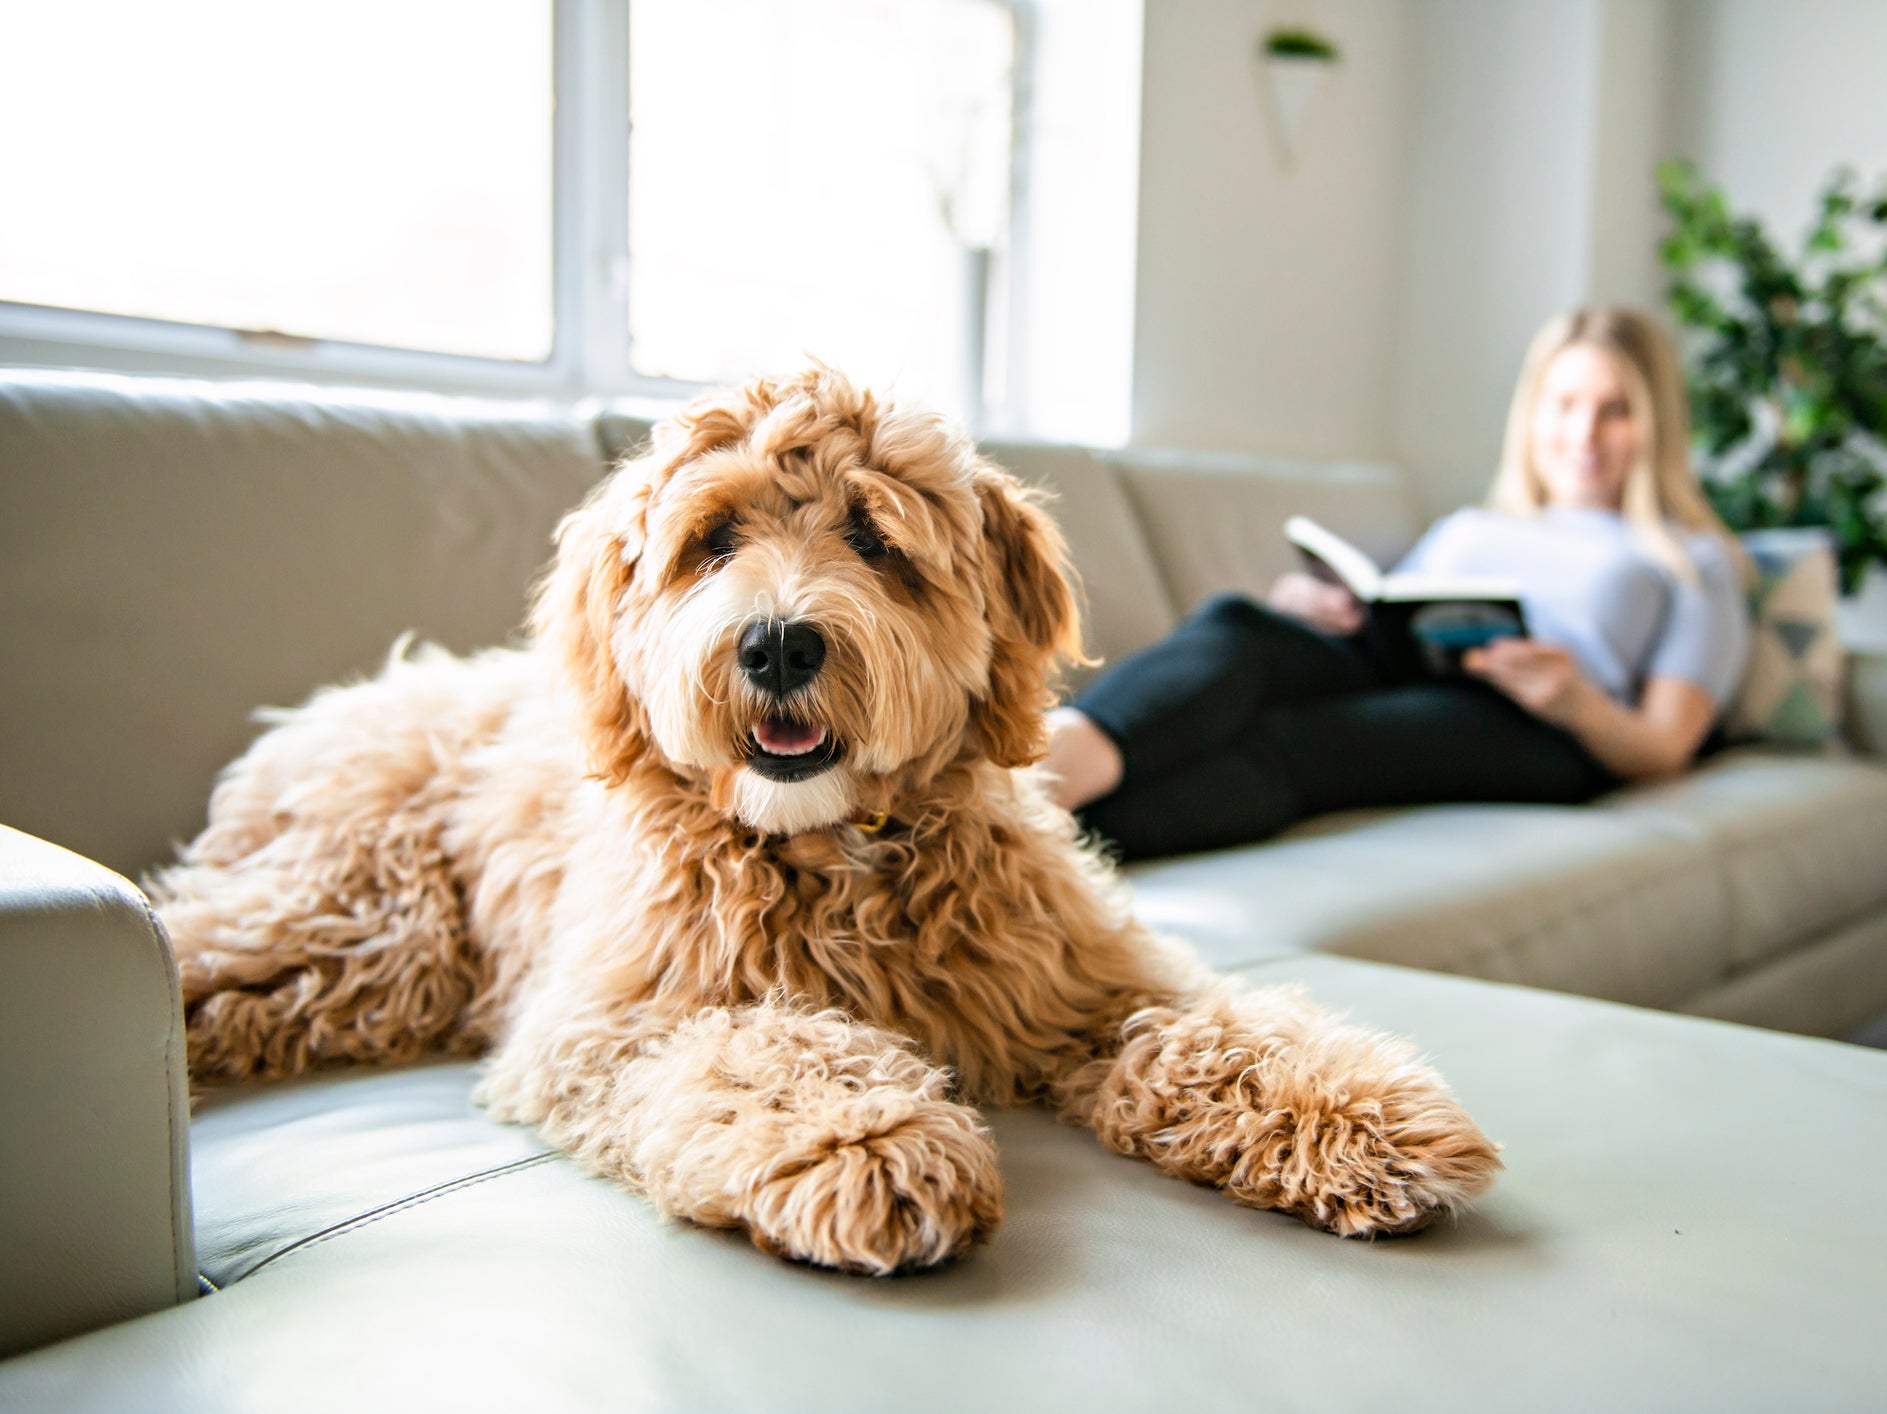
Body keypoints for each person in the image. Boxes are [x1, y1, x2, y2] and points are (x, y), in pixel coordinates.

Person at [1045, 306, 1752, 862]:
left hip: (1535, 727)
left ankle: (1034, 844)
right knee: (1239, 625)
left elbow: (1665, 746)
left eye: (1614, 410)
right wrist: (1319, 610)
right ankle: (1042, 771)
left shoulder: (1692, 560)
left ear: (1653, 424)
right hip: (1401, 672)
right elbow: (1394, 615)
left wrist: (1573, 701)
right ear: (1531, 413)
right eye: (1563, 404)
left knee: (1293, 744)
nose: (1583, 433)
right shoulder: (1474, 525)